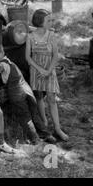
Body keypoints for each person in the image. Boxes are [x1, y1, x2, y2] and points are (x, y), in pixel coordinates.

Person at [0, 43, 56, 144]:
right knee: (34, 114)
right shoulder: (10, 62)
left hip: (17, 93)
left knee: (25, 117)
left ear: (2, 52)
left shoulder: (1, 65)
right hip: (27, 90)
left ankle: (35, 139)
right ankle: (46, 134)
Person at [26, 9, 69, 142]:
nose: (51, 22)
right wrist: (40, 69)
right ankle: (44, 123)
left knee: (51, 98)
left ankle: (57, 128)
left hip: (49, 70)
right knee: (39, 97)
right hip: (36, 70)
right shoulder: (30, 37)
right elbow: (28, 57)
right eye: (48, 20)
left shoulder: (51, 35)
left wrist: (49, 70)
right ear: (40, 22)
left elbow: (55, 55)